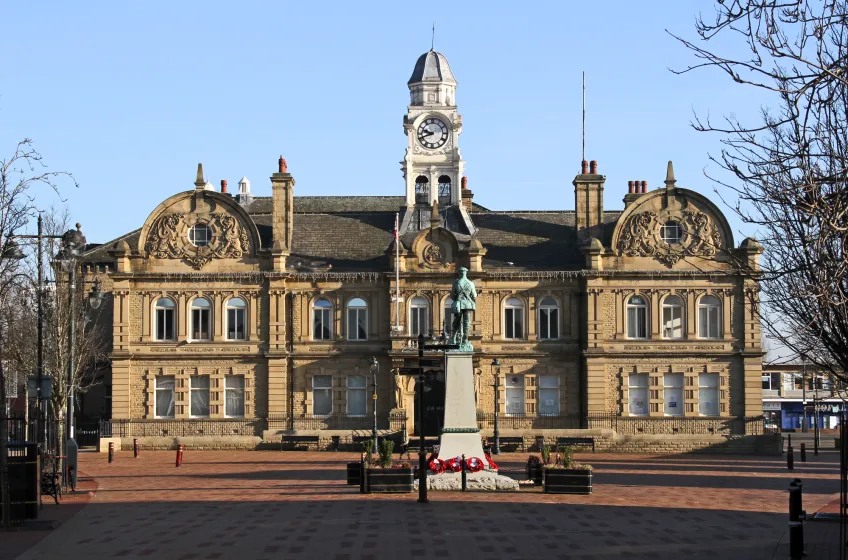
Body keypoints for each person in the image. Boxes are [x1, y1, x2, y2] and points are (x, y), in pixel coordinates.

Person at [449, 267, 477, 347]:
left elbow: (452, 295)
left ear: (459, 273)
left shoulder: (456, 282)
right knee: (467, 322)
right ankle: (465, 339)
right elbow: (474, 295)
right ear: (466, 273)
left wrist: (456, 298)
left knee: (456, 322)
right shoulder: (471, 283)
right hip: (468, 304)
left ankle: (453, 338)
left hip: (459, 304)